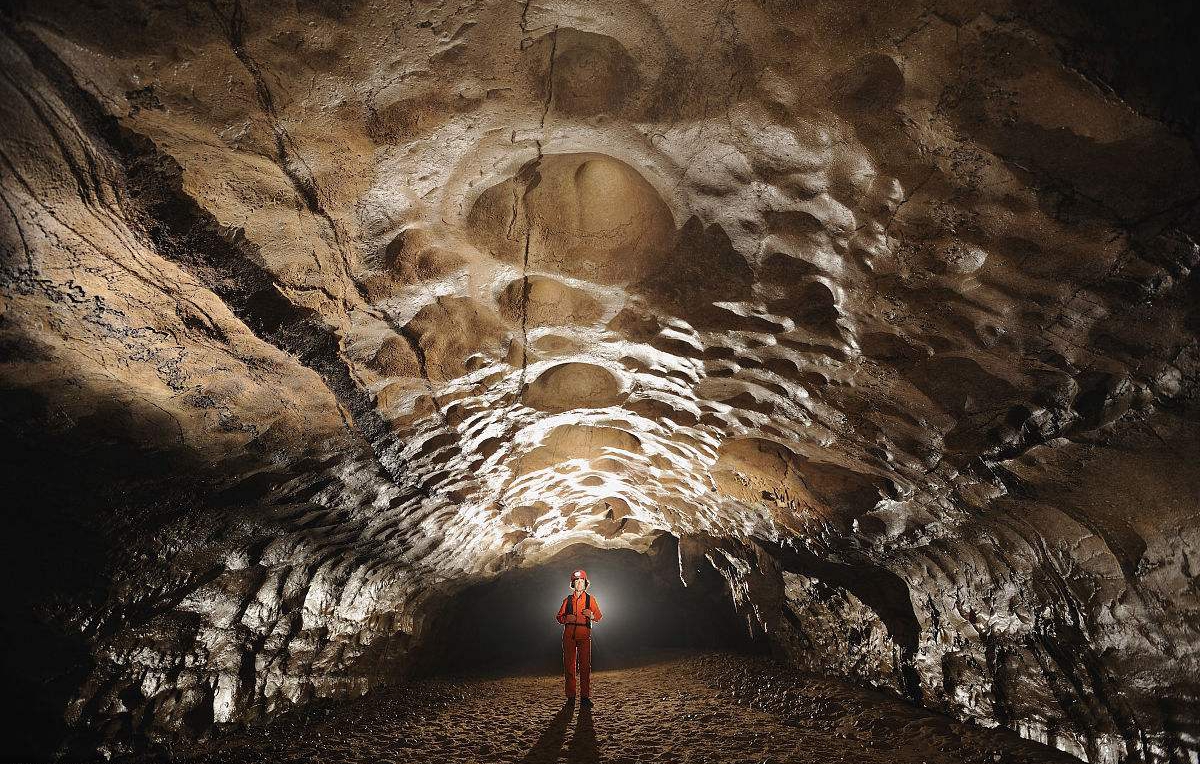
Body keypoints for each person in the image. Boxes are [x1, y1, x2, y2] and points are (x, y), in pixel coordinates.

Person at [556, 569, 602, 707]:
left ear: (585, 583)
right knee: (569, 666)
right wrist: (566, 619)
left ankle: (584, 697)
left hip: (584, 635)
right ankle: (571, 697)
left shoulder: (590, 599)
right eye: (577, 581)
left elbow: (599, 616)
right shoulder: (567, 600)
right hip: (569, 635)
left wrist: (591, 615)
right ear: (573, 584)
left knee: (585, 666)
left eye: (582, 581)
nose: (579, 584)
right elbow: (559, 617)